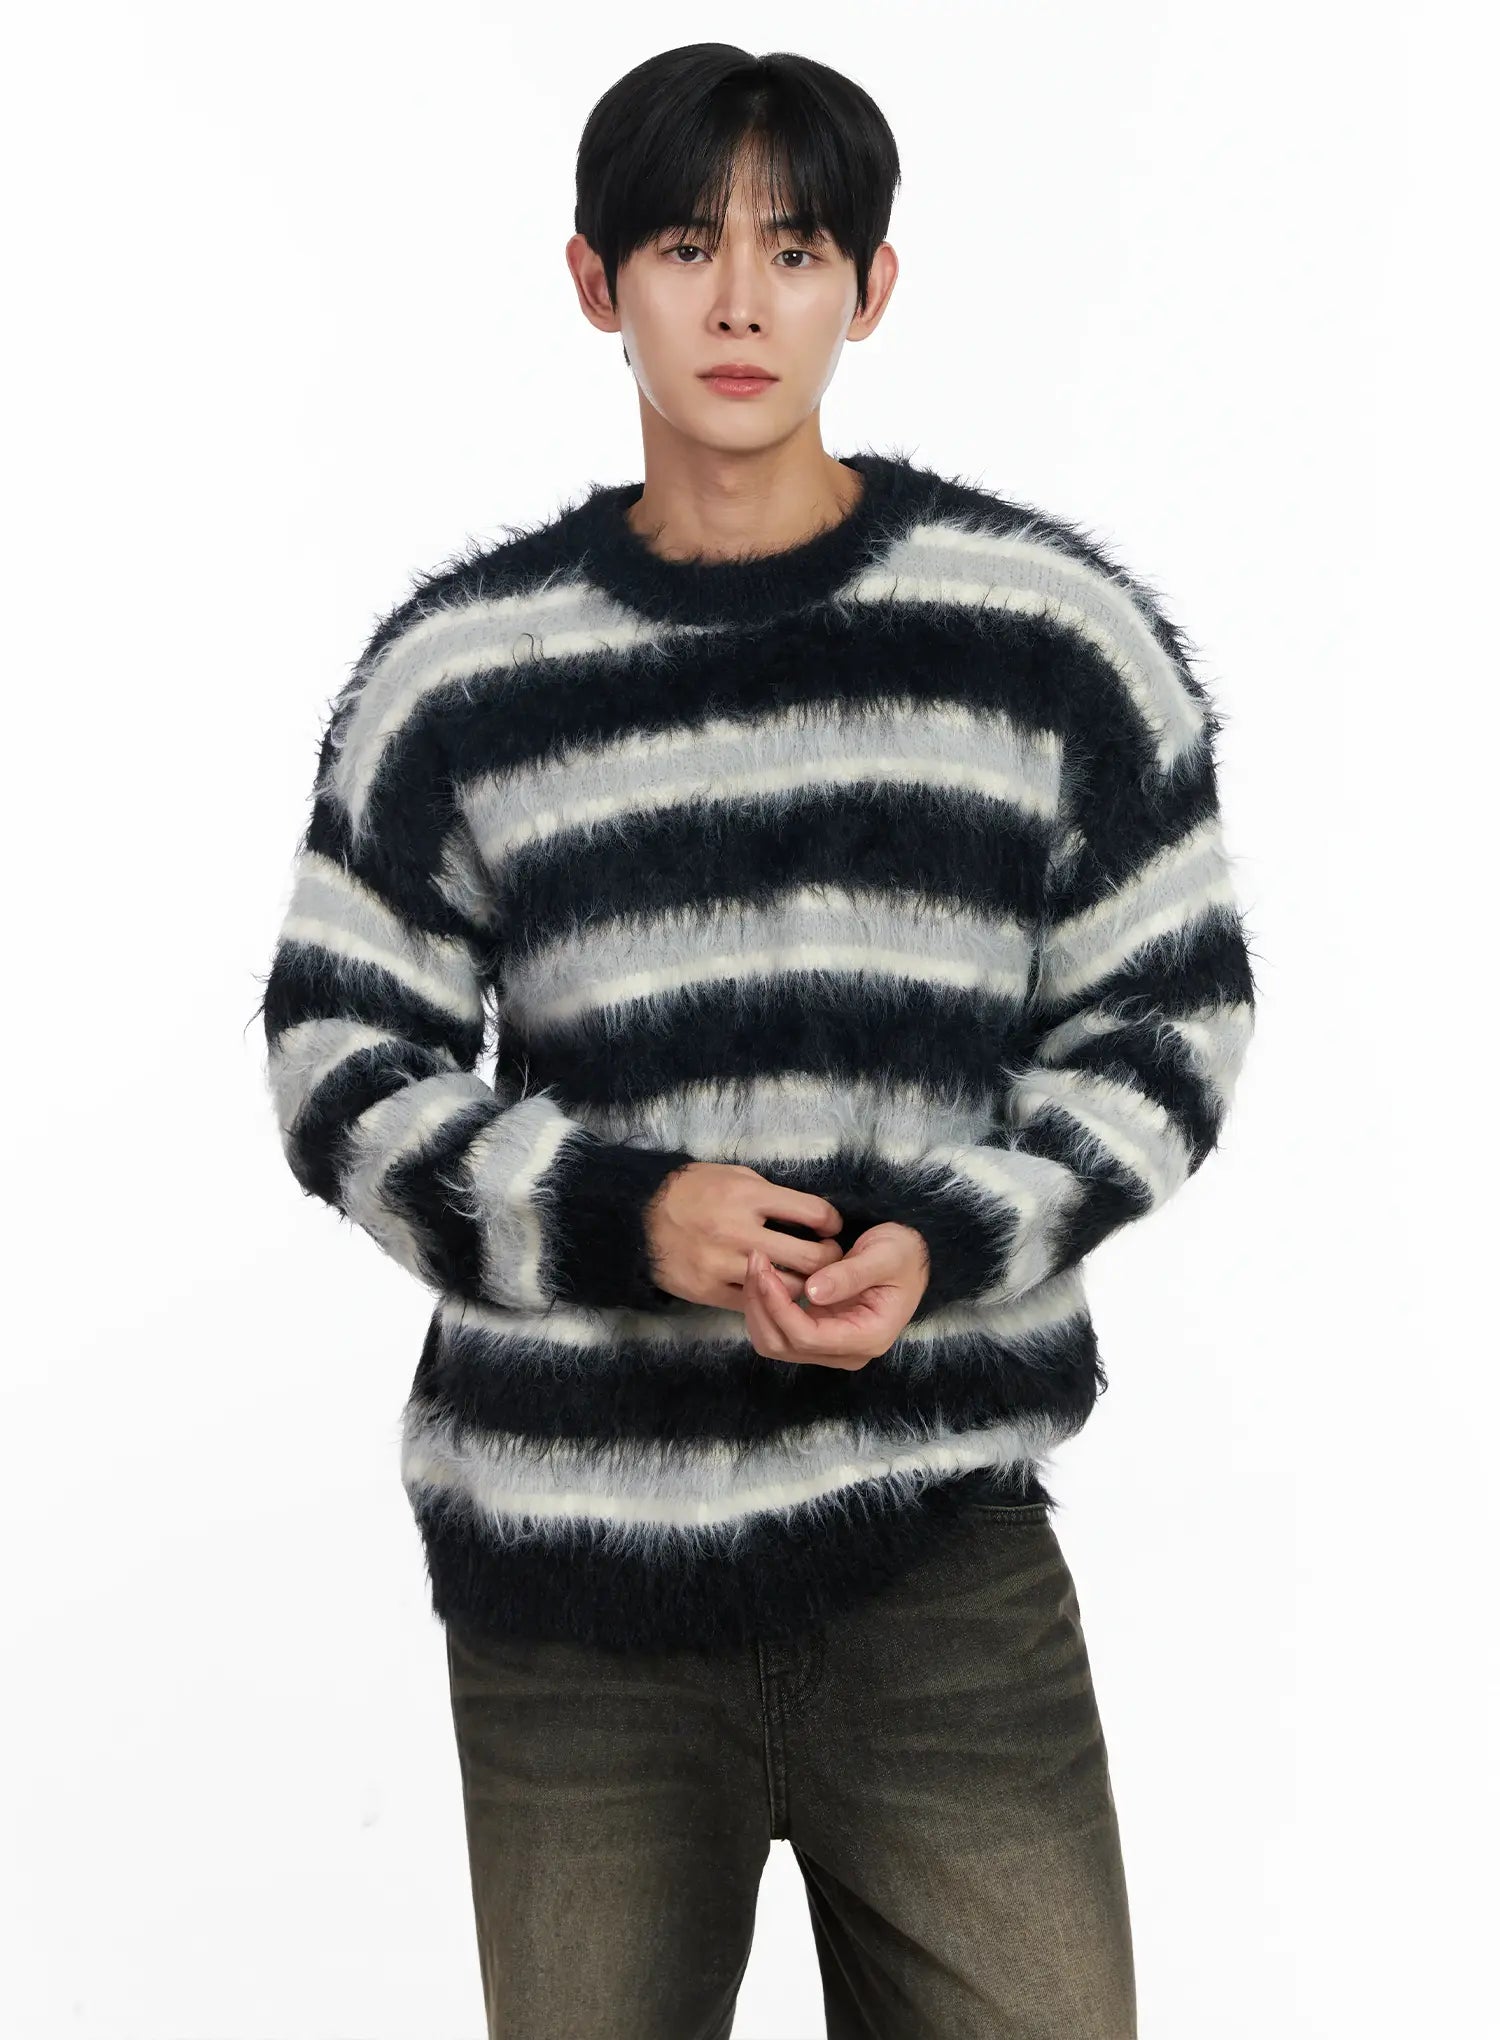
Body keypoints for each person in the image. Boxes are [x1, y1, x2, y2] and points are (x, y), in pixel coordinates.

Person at [258, 42, 1257, 2040]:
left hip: (940, 1553)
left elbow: (1169, 1018)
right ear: (592, 279)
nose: (736, 304)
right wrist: (632, 1218)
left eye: (793, 251)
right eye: (682, 247)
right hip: (577, 1595)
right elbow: (340, 1056)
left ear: (870, 288)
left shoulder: (1045, 639)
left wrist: (947, 1239)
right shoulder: (463, 675)